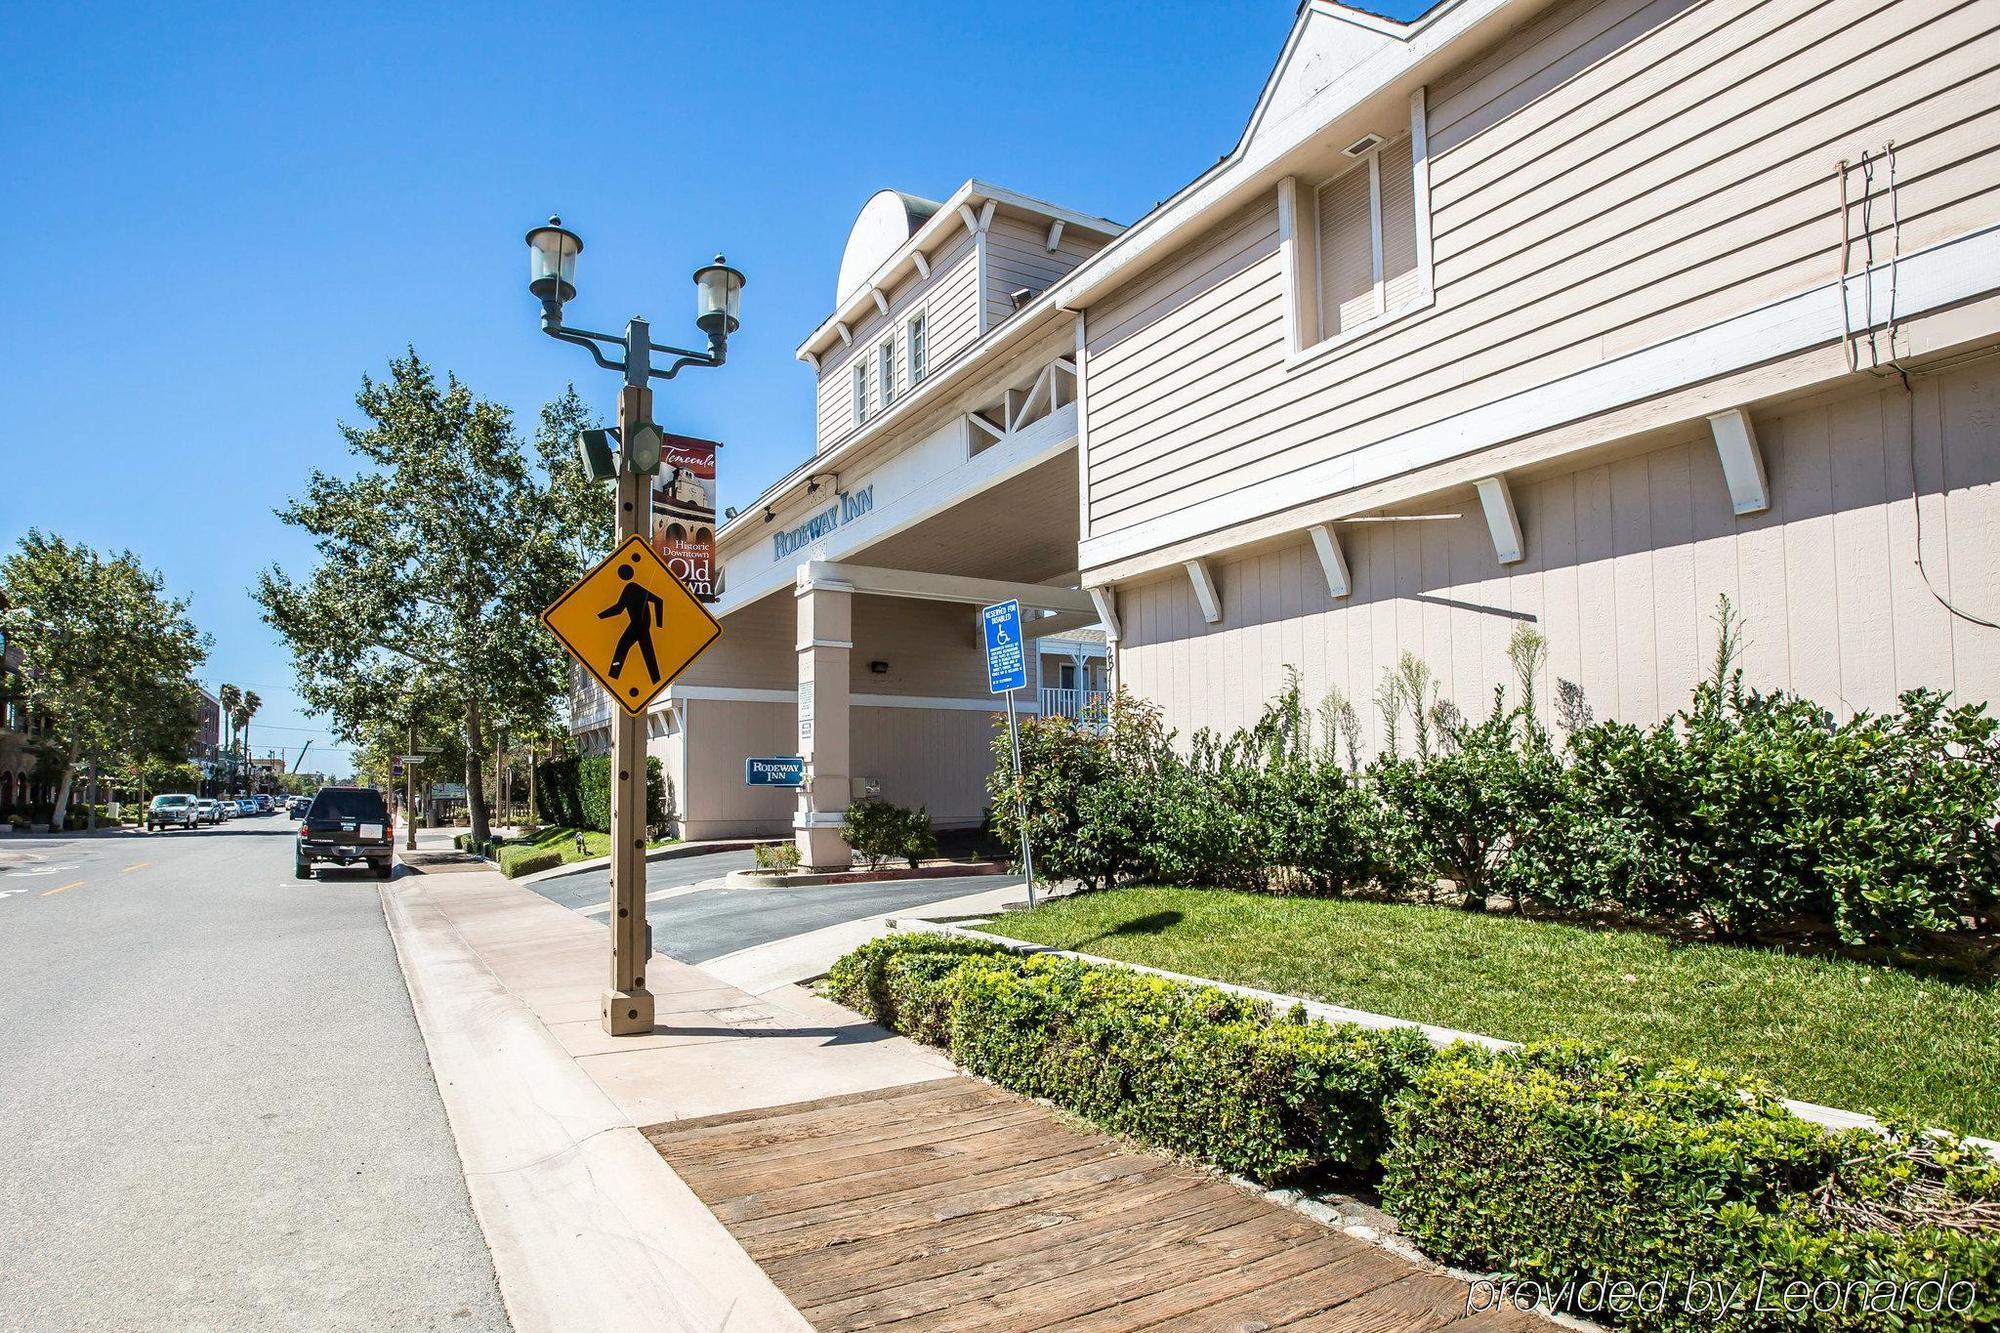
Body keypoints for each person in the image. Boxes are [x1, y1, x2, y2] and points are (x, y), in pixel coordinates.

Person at [598, 563, 664, 689]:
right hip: (641, 625)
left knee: (622, 647)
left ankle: (613, 677)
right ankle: (656, 680)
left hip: (638, 625)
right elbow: (619, 609)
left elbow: (659, 601)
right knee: (648, 654)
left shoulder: (632, 587)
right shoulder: (631, 587)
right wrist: (600, 616)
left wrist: (659, 625)